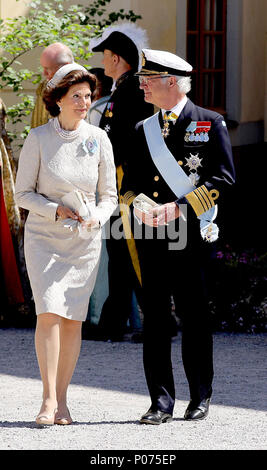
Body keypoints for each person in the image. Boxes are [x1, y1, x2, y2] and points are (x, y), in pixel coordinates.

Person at [121, 49, 235, 424]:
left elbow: (223, 180)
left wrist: (180, 207)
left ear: (171, 82)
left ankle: (199, 396)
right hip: (152, 236)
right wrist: (139, 207)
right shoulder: (143, 129)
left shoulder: (209, 122)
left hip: (190, 237)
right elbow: (130, 185)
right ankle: (160, 402)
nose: (142, 85)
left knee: (194, 317)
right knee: (154, 319)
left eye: (147, 80)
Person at [15, 63, 117, 426]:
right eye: (76, 96)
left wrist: (97, 217)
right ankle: (45, 399)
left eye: (88, 96)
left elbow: (110, 196)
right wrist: (54, 209)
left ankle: (62, 400)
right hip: (45, 238)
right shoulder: (39, 138)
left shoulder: (99, 139)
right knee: (49, 313)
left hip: (84, 242)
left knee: (73, 320)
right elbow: (22, 194)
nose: (84, 102)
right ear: (57, 100)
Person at [89, 24, 154, 341]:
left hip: (128, 183)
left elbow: (128, 141)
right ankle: (112, 322)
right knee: (120, 253)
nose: (103, 61)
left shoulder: (133, 92)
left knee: (135, 252)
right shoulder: (122, 90)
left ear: (116, 58)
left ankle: (158, 322)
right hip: (117, 182)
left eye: (105, 55)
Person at [31, 42, 74, 128]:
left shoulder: (84, 88)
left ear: (65, 67)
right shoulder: (44, 87)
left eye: (48, 68)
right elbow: (36, 124)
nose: (44, 73)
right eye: (43, 68)